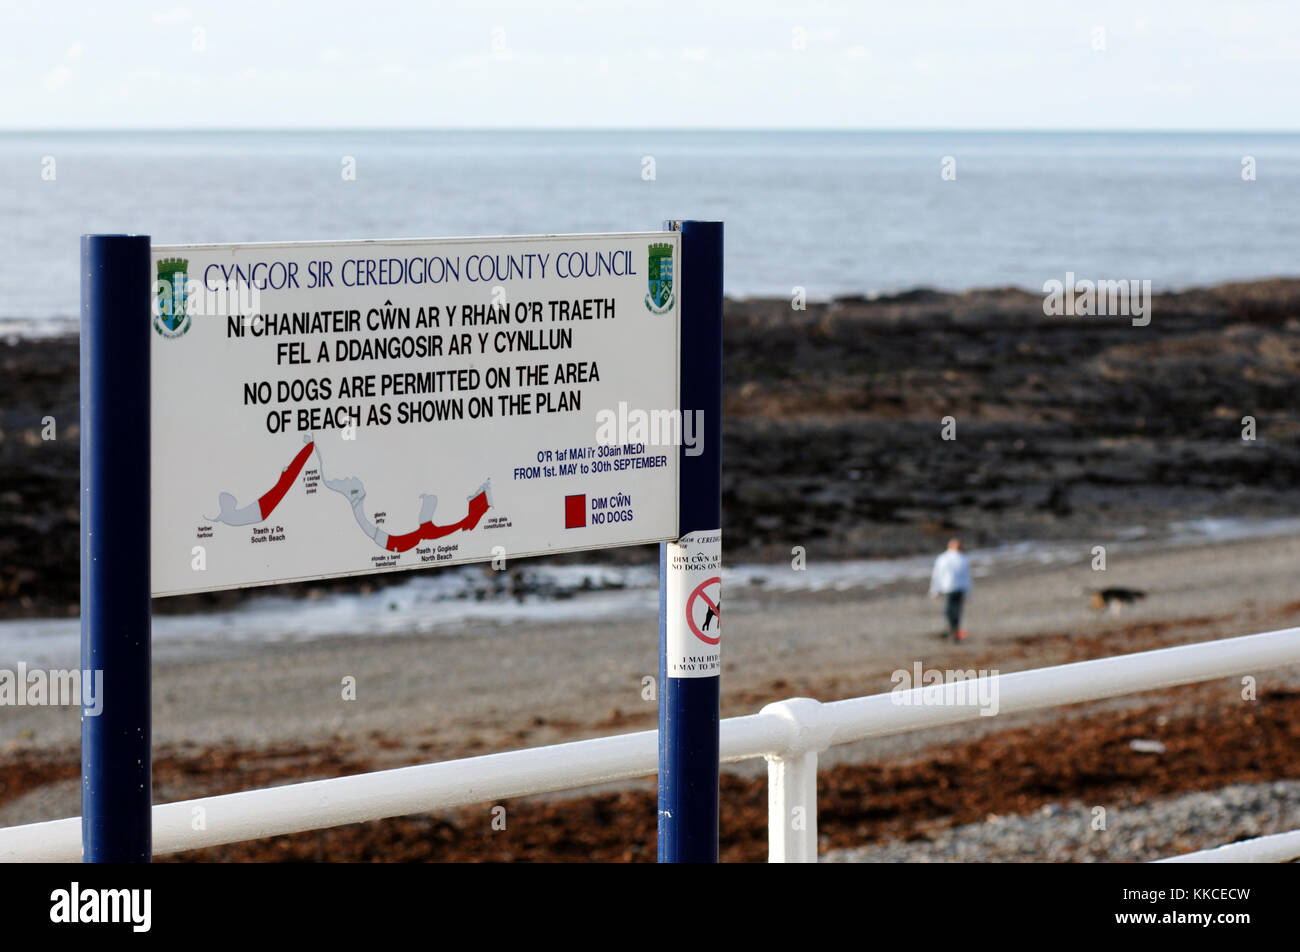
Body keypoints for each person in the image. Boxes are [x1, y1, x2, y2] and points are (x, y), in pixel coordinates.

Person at [929, 537, 971, 640]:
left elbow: (967, 577)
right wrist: (935, 590)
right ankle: (952, 630)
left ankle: (955, 631)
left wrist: (968, 592)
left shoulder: (962, 559)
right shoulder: (944, 558)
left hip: (958, 589)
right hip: (948, 588)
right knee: (950, 611)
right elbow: (937, 575)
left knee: (956, 611)